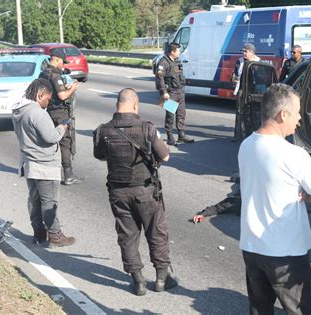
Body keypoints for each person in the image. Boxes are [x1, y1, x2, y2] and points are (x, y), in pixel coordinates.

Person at [238, 83, 311, 314]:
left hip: (252, 246)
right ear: (282, 114)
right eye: (296, 112)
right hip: (286, 251)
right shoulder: (294, 154)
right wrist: (305, 194)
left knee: (259, 308)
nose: (299, 119)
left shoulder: (246, 145)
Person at [93, 88, 178, 296]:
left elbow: (100, 156)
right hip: (146, 191)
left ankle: (138, 281)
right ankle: (161, 279)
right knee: (156, 232)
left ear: (117, 105)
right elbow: (165, 157)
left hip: (118, 192)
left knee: (127, 236)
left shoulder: (103, 130)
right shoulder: (147, 129)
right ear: (135, 105)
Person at [11, 78, 76, 247]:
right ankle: (55, 234)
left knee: (34, 200)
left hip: (29, 163)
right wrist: (62, 128)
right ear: (40, 95)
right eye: (47, 99)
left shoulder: (19, 110)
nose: (47, 103)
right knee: (49, 201)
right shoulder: (37, 112)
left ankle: (39, 233)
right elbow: (51, 137)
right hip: (44, 164)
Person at [39, 48, 81, 185]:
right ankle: (68, 175)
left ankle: (47, 172)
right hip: (60, 113)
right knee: (65, 143)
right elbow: (62, 96)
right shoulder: (55, 75)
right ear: (56, 59)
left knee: (50, 142)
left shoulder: (43, 73)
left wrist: (65, 88)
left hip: (49, 111)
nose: (63, 65)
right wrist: (73, 89)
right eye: (63, 62)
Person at [155, 42, 194, 145]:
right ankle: (170, 136)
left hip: (180, 91)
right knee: (170, 115)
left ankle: (181, 135)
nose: (179, 53)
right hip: (170, 92)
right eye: (178, 51)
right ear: (172, 52)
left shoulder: (177, 61)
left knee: (181, 114)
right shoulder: (163, 63)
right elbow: (159, 78)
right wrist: (163, 92)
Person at [232, 43, 261, 141]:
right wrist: (234, 79)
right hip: (242, 90)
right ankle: (238, 135)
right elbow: (235, 74)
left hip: (254, 91)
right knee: (240, 113)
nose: (243, 53)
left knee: (254, 113)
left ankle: (254, 134)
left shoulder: (258, 62)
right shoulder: (239, 62)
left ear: (252, 52)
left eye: (246, 51)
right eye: (243, 51)